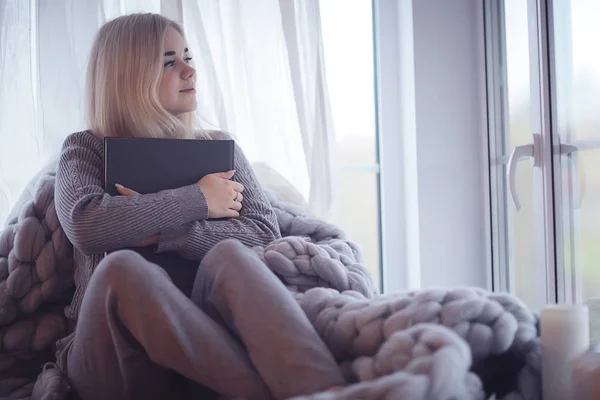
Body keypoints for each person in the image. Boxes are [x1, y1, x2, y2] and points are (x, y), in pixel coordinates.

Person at [53, 13, 345, 400]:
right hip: (109, 355)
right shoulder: (85, 148)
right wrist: (200, 199)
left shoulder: (219, 146)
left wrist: (164, 232)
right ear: (129, 76)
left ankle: (327, 391)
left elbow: (262, 234)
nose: (190, 71)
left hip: (201, 332)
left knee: (230, 256)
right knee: (122, 268)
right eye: (170, 62)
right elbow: (87, 224)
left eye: (188, 57)